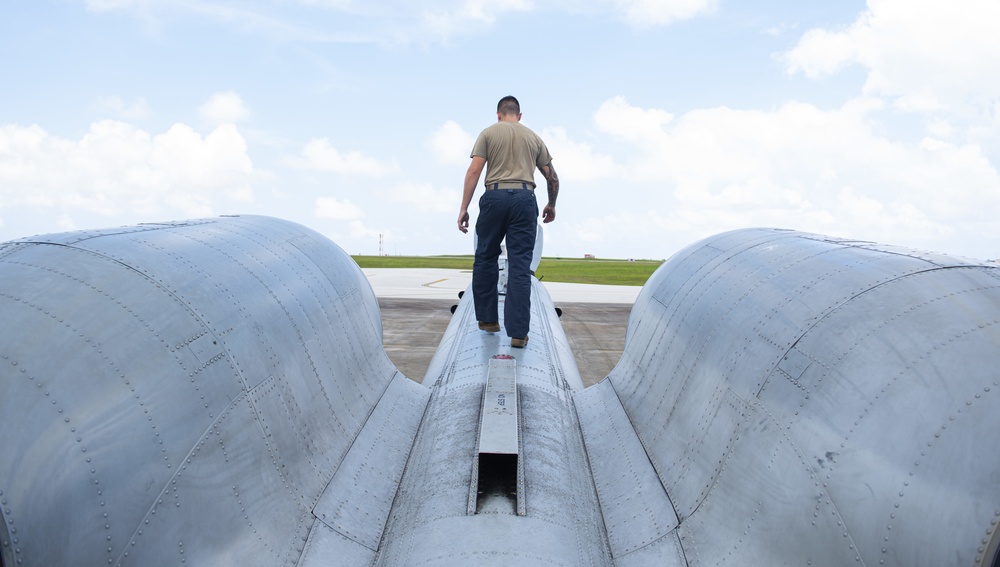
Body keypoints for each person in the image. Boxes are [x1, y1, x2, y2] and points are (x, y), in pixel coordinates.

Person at [457, 95, 559, 348]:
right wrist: (551, 204)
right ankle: (518, 333)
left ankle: (488, 320)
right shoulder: (534, 138)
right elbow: (552, 176)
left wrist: (464, 208)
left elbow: (474, 171)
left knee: (485, 258)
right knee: (520, 266)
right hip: (525, 197)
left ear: (499, 114)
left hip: (494, 195)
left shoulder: (489, 133)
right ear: (520, 116)